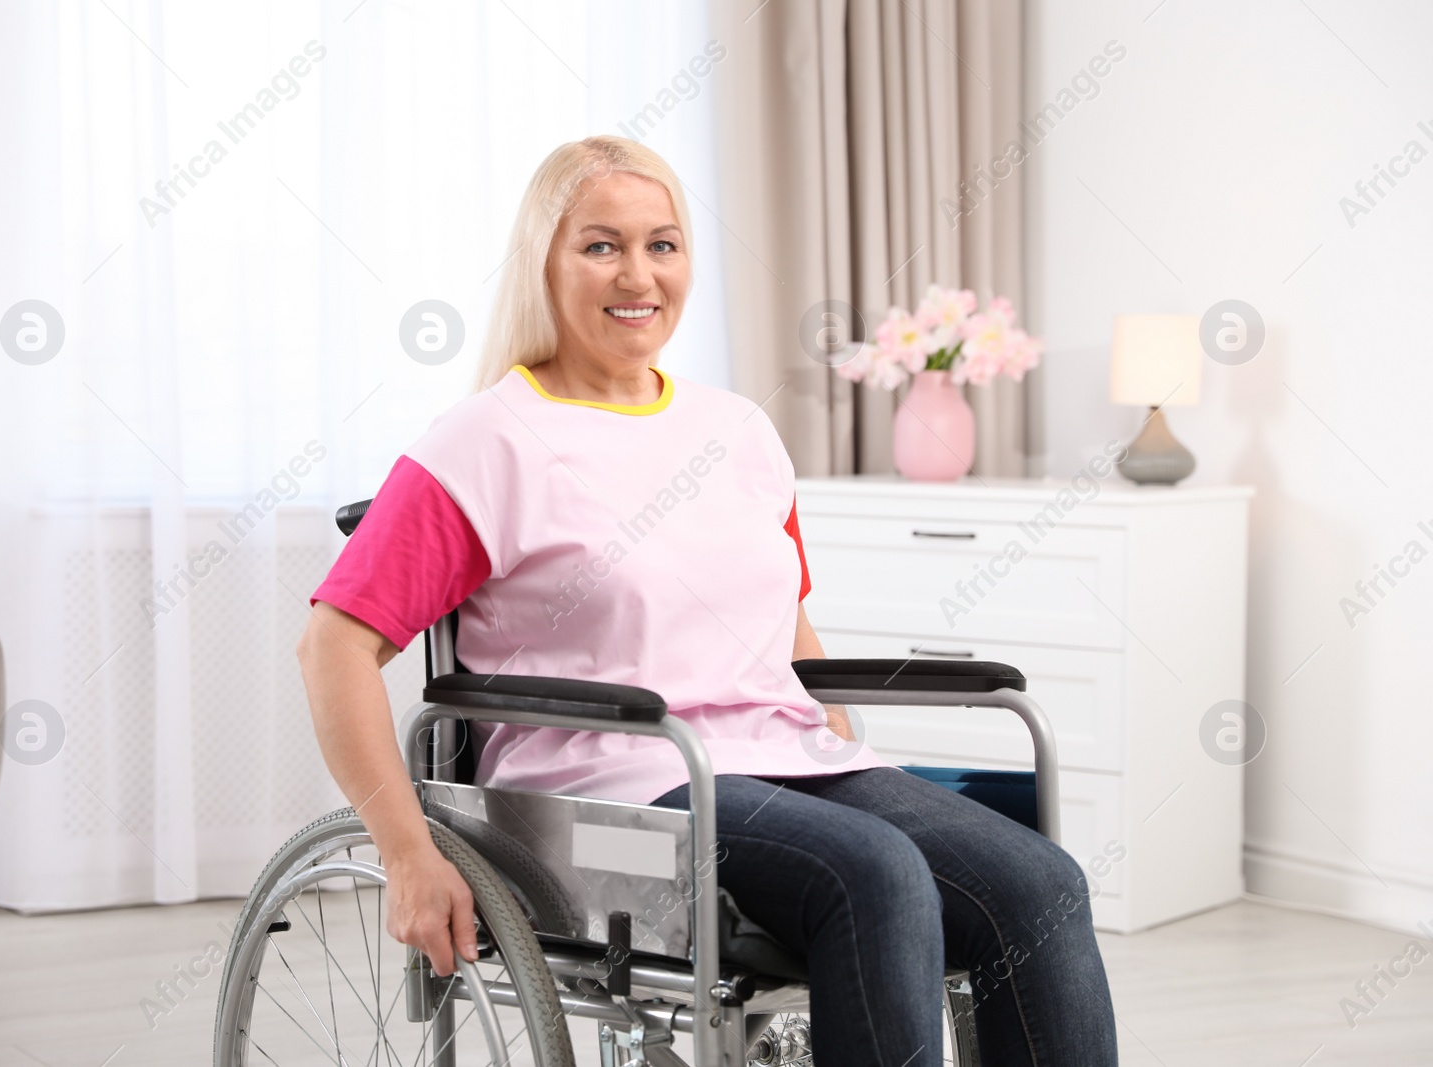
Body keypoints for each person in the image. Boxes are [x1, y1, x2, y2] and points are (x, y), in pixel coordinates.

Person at [298, 135, 1119, 1066]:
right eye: (601, 244)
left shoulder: (737, 430)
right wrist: (408, 852)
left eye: (664, 243)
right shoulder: (486, 439)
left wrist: (849, 756)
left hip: (781, 756)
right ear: (544, 262)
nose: (638, 273)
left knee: (1038, 884)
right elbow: (332, 649)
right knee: (877, 875)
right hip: (613, 780)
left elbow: (790, 631)